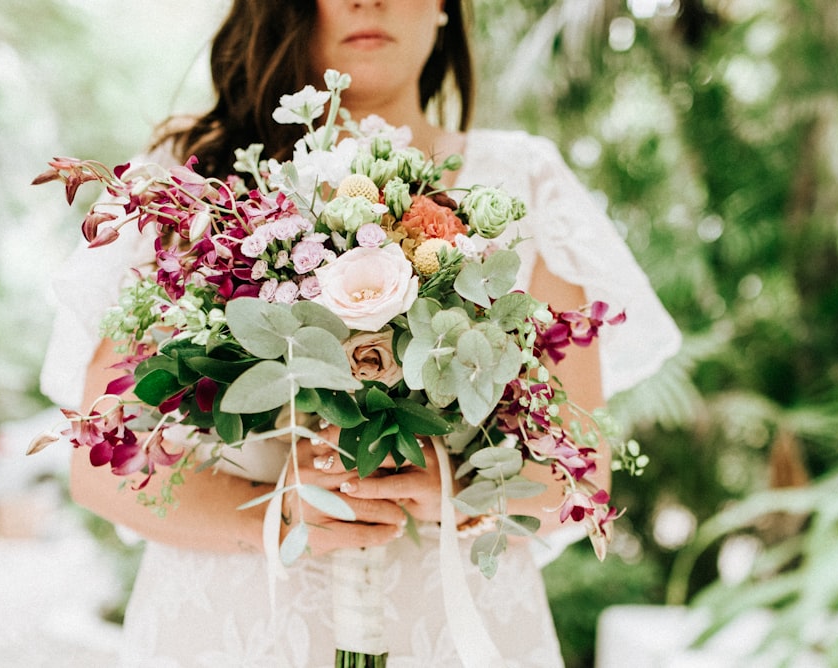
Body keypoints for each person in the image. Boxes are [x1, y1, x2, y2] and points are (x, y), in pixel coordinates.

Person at [40, 0, 682, 665]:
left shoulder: (524, 182)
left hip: (453, 634)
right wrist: (276, 510)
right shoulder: (190, 183)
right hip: (233, 630)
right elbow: (100, 462)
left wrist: (460, 489)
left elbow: (583, 479)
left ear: (443, 8)